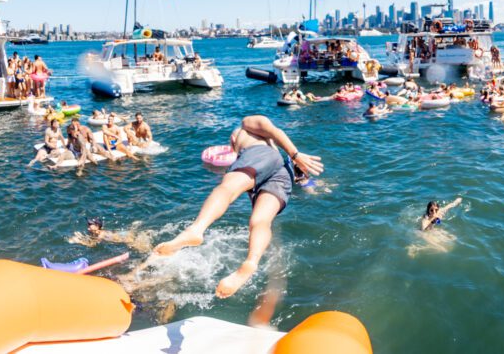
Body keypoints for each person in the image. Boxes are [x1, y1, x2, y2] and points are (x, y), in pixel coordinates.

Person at [153, 115, 323, 298]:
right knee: (260, 221)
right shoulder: (265, 145)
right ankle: (251, 262)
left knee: (226, 189)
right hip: (283, 174)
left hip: (262, 155)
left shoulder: (245, 125)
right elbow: (273, 136)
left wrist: (296, 154)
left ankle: (196, 229)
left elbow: (274, 130)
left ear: (233, 138)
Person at [68, 217, 153, 253]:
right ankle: (134, 227)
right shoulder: (97, 232)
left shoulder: (101, 234)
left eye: (90, 224)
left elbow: (93, 245)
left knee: (143, 249)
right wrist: (83, 237)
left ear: (97, 226)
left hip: (124, 238)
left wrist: (79, 241)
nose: (88, 225)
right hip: (122, 233)